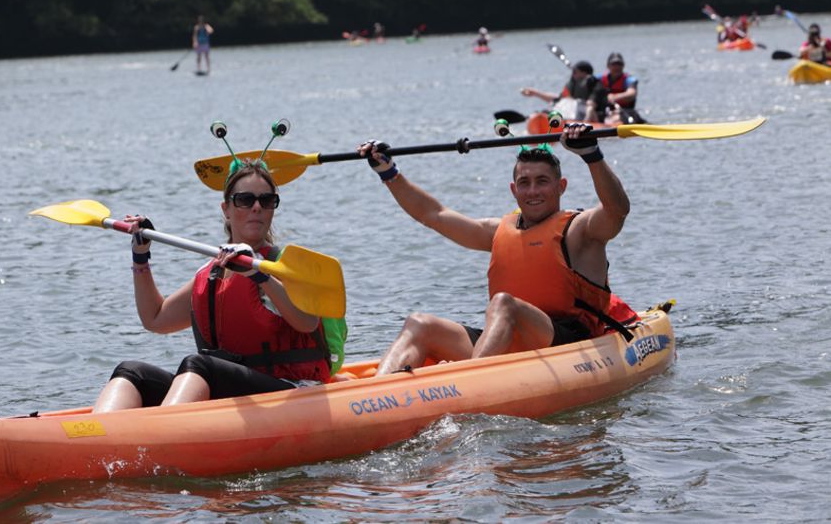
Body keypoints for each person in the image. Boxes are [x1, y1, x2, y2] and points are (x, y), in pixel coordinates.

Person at [357, 124, 631, 375]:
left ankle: (467, 384)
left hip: (568, 344)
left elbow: (617, 210)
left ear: (561, 187)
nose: (533, 190)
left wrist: (592, 155)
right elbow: (433, 214)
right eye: (525, 182)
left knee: (503, 303)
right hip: (509, 341)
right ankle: (374, 394)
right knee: (420, 324)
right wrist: (388, 173)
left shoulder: (580, 230)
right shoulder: (497, 231)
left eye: (542, 181)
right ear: (514, 190)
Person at [91, 160, 335, 412]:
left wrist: (258, 273)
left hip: (292, 391)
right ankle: (97, 433)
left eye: (267, 200)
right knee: (130, 372)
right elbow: (155, 319)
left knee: (199, 364)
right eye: (245, 200)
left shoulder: (283, 266)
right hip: (230, 388)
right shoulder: (210, 273)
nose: (256, 208)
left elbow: (307, 323)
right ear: (226, 209)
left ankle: (162, 434)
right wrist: (140, 256)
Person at [520, 60, 598, 116]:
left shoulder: (595, 85)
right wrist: (535, 93)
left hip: (592, 116)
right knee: (545, 111)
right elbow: (558, 100)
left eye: (575, 72)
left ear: (584, 73)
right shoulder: (572, 85)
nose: (573, 74)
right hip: (573, 115)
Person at [585, 52, 641, 124]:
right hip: (606, 111)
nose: (617, 67)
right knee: (590, 104)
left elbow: (632, 93)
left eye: (619, 64)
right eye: (614, 64)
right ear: (608, 66)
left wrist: (614, 97)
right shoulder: (599, 79)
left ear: (623, 66)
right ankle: (588, 122)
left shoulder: (629, 80)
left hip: (624, 111)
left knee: (616, 118)